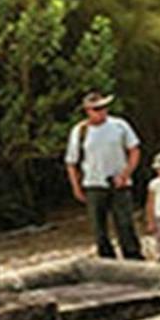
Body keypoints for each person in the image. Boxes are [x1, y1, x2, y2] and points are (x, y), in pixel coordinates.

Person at [64, 91, 143, 260]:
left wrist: (126, 173)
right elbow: (71, 162)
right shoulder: (79, 131)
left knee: (125, 224)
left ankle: (133, 256)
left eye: (103, 107)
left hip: (119, 182)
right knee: (98, 228)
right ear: (88, 111)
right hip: (93, 183)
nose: (101, 111)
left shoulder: (119, 125)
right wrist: (76, 187)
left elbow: (134, 150)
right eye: (96, 109)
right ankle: (106, 259)